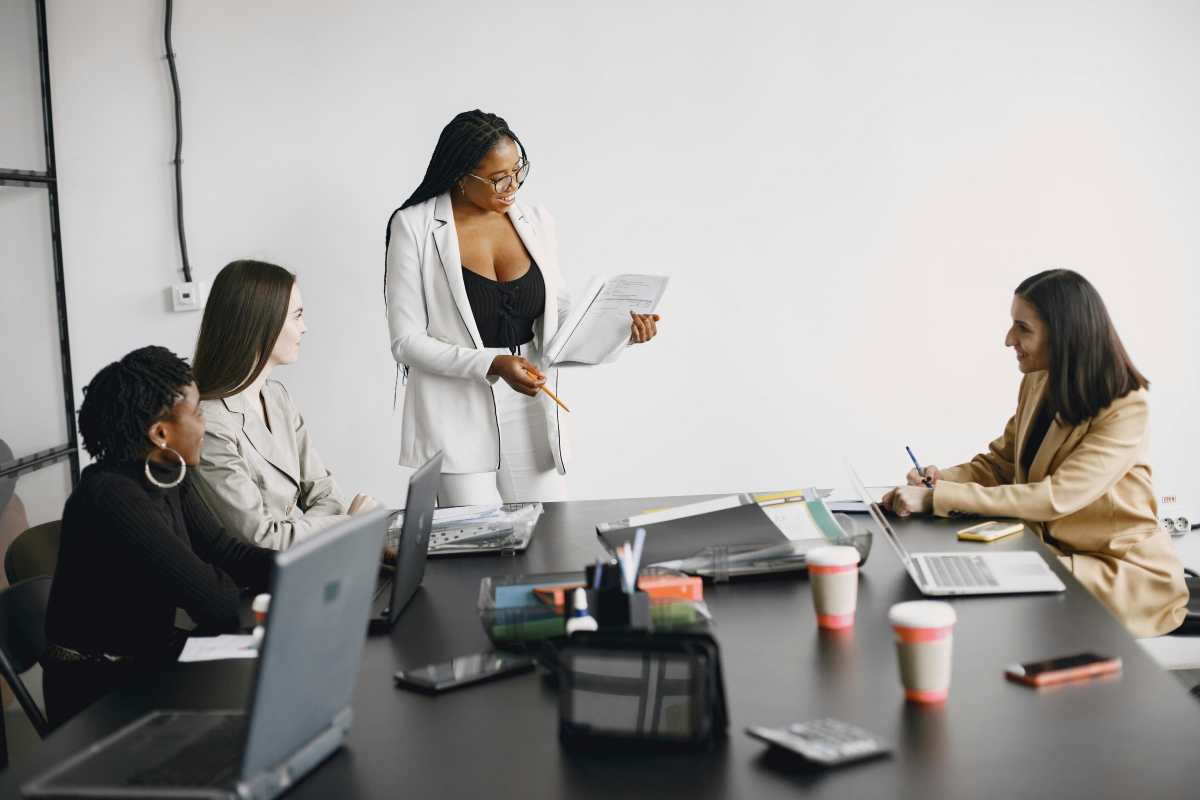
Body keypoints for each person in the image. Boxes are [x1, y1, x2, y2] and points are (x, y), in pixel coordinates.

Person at [883, 269, 1187, 637]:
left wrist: (935, 499)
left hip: (1117, 573)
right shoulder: (1038, 380)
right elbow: (1002, 463)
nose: (1008, 339)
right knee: (943, 583)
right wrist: (941, 478)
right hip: (1048, 555)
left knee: (977, 605)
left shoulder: (1126, 406)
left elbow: (1056, 497)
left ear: (1064, 334)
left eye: (1022, 328)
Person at [385, 110, 660, 505]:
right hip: (456, 409)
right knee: (475, 544)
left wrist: (622, 329)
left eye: (518, 170)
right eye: (498, 177)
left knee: (549, 538)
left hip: (531, 399)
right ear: (461, 176)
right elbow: (406, 341)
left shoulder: (536, 220)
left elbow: (557, 314)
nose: (512, 185)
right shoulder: (414, 227)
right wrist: (492, 364)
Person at [43, 346, 276, 726]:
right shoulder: (111, 499)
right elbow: (212, 601)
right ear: (161, 433)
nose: (205, 424)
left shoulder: (166, 474)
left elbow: (226, 551)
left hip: (147, 666)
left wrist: (313, 564)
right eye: (198, 412)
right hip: (99, 698)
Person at [190, 260, 378, 550]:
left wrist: (302, 530)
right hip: (255, 582)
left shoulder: (277, 396)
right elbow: (261, 538)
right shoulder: (211, 424)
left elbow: (327, 494)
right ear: (260, 322)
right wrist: (347, 524)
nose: (305, 328)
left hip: (304, 559)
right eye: (297, 316)